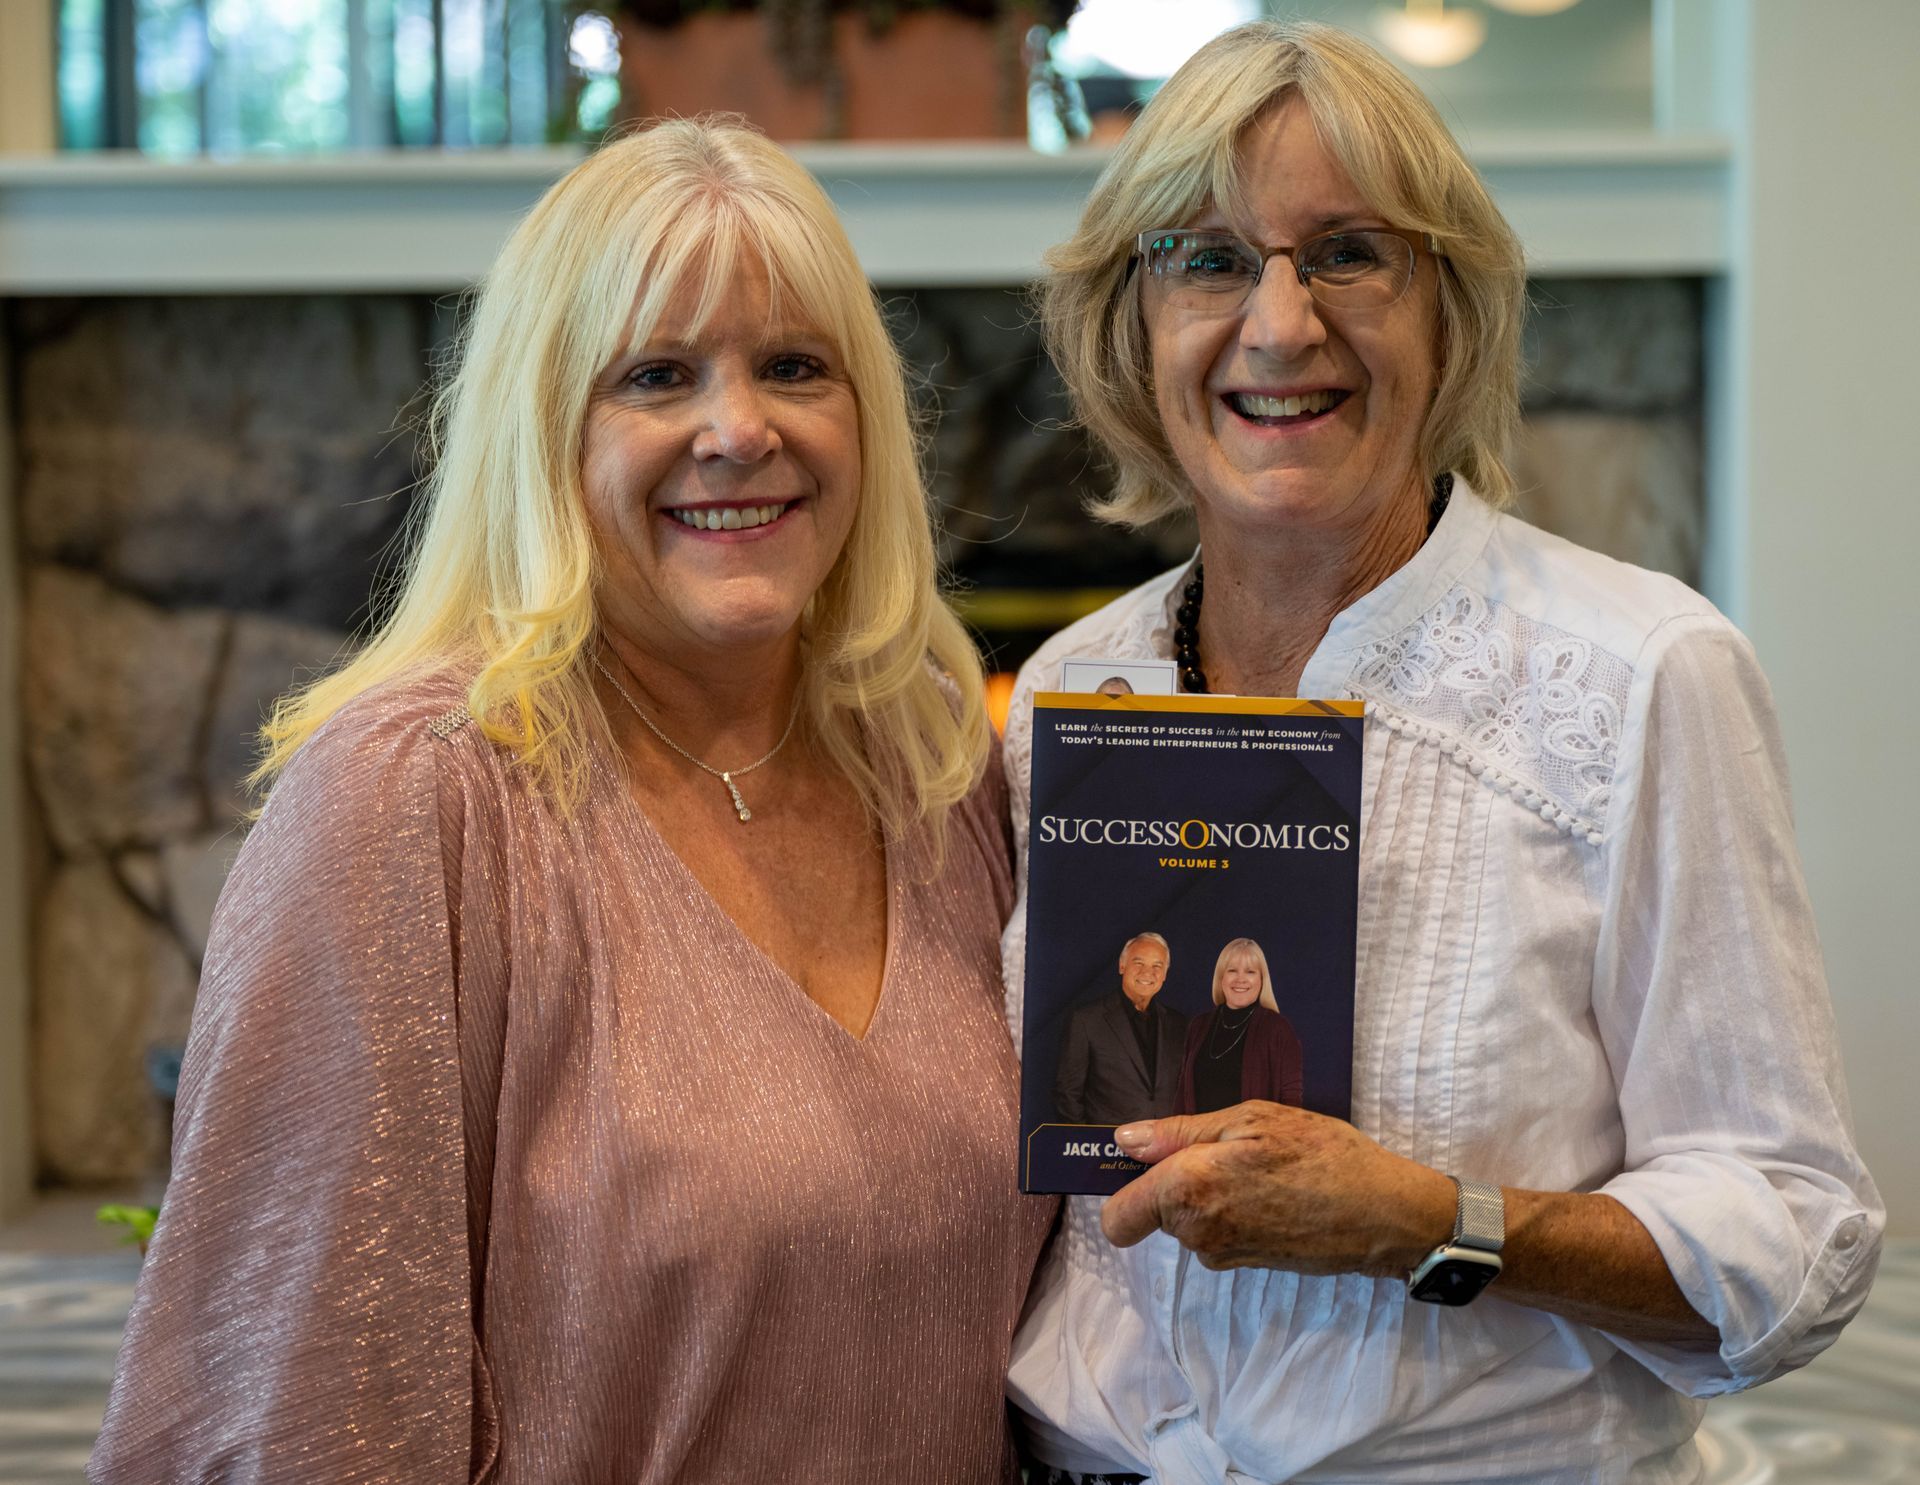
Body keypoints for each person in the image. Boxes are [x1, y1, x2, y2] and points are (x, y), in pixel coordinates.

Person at [91, 118, 1055, 1483]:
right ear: (542, 432)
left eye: (794, 366)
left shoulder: (938, 773)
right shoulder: (415, 800)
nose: (740, 429)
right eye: (658, 375)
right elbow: (299, 1408)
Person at [998, 20, 1881, 1482]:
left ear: (1449, 313)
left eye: (1349, 253)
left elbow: (1793, 1238)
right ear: (1131, 327)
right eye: (1208, 260)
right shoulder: (1064, 691)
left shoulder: (1644, 675)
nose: (1279, 325)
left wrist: (1425, 1220)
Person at [1053, 932, 1187, 1123]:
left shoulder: (1179, 1025)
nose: (1148, 972)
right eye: (1138, 963)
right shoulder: (1086, 1020)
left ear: (1165, 974)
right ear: (1122, 966)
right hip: (1107, 1147)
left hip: (1167, 1147)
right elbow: (1067, 1094)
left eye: (1157, 966)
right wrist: (1087, 1145)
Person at [1178, 938, 1302, 1115]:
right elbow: (1183, 1095)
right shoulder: (1198, 1026)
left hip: (1252, 1141)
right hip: (1200, 1141)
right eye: (1232, 971)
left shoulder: (1278, 1029)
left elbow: (1292, 1103)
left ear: (1261, 979)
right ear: (1221, 977)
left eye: (1250, 972)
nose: (1240, 979)